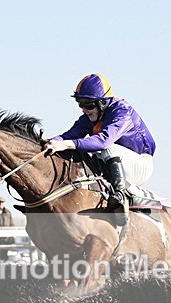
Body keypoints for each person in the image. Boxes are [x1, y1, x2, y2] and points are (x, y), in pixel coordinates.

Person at [43, 73, 156, 227]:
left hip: (141, 164)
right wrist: (50, 142)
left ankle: (120, 197)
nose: (84, 110)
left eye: (88, 105)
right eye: (80, 104)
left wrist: (67, 144)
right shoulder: (90, 117)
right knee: (83, 153)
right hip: (117, 163)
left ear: (103, 102)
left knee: (106, 148)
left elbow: (104, 141)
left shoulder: (122, 111)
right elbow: (69, 135)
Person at [0, 197, 14, 261]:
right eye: (0, 202)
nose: (1, 203)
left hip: (6, 237)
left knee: (5, 254)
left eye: (2, 202)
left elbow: (11, 223)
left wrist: (12, 234)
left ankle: (5, 267)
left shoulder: (7, 212)